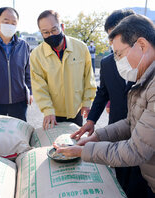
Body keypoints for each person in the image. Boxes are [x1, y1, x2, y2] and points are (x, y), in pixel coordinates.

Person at [54, 14, 155, 198]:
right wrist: (97, 137)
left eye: (119, 54)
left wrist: (84, 151)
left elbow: (136, 150)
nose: (117, 61)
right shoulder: (145, 79)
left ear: (141, 45)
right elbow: (131, 123)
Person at [71, 10, 138, 197]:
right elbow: (103, 93)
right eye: (110, 38)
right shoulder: (108, 63)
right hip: (117, 126)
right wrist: (91, 120)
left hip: (143, 131)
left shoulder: (147, 61)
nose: (114, 44)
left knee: (141, 179)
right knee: (121, 176)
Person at [30, 10, 96, 129]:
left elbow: (88, 78)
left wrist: (87, 103)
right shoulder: (36, 55)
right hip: (52, 114)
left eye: (54, 30)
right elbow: (39, 86)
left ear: (62, 27)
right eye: (45, 32)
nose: (51, 35)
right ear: (41, 33)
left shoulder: (81, 48)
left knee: (75, 144)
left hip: (77, 112)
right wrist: (47, 109)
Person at [0, 7, 33, 121]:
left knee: (19, 136)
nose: (10, 25)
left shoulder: (23, 45)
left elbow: (28, 72)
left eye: (13, 23)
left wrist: (30, 92)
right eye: (6, 22)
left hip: (19, 103)